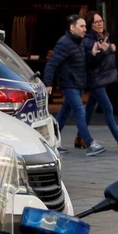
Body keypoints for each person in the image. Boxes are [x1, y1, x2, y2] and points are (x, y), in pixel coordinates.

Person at [44, 15, 103, 156]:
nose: (85, 29)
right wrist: (48, 83)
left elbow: (81, 61)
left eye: (85, 26)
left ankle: (50, 143)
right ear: (72, 27)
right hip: (69, 84)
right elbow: (52, 64)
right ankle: (90, 144)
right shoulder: (64, 43)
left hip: (78, 83)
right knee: (79, 111)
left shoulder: (79, 42)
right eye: (81, 26)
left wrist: (92, 54)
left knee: (64, 114)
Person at [81, 11, 118, 151]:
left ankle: (80, 137)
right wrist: (107, 50)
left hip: (101, 79)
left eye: (101, 21)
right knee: (108, 108)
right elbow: (91, 62)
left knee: (90, 108)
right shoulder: (88, 41)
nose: (100, 24)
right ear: (90, 25)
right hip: (95, 80)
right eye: (96, 22)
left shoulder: (103, 36)